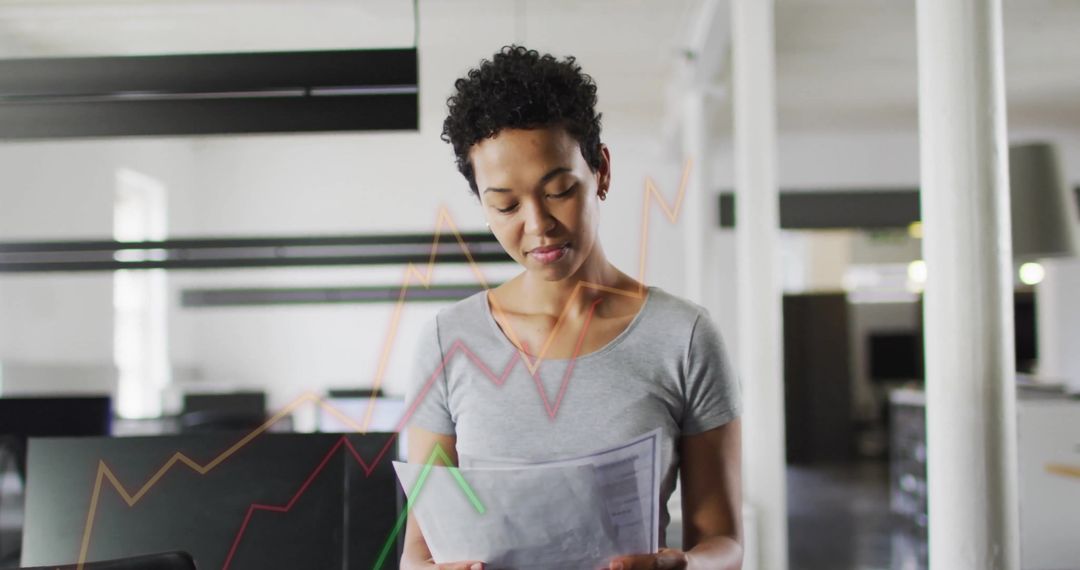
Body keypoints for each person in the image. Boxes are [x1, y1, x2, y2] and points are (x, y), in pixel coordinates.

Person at [401, 45, 743, 570]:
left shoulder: (685, 337)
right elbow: (418, 555)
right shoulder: (449, 342)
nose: (537, 225)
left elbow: (724, 543)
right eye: (506, 205)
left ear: (600, 171)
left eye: (558, 190)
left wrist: (683, 565)